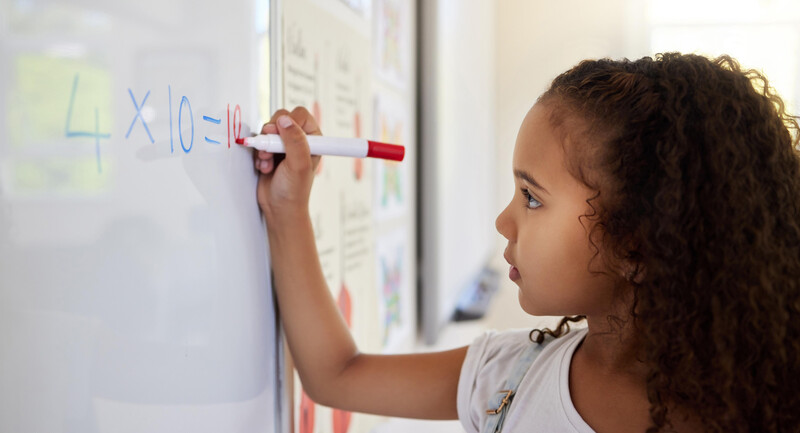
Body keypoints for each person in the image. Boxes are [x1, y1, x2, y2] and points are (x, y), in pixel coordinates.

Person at [252, 53, 800, 433]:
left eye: (531, 198)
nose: (502, 221)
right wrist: (286, 207)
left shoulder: (750, 414)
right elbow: (337, 374)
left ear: (634, 244)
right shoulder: (510, 376)